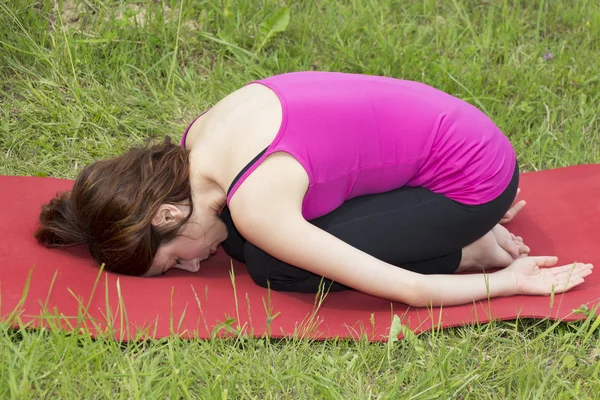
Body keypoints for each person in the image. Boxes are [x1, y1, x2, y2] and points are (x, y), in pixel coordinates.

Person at [35, 71, 593, 307]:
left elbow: (412, 292)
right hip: (462, 136)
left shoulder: (254, 204)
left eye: (171, 260)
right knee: (237, 242)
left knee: (275, 266)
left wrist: (505, 283)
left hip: (473, 182)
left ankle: (472, 240)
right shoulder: (199, 139)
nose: (189, 268)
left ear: (165, 215)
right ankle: (457, 229)